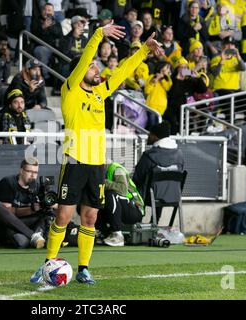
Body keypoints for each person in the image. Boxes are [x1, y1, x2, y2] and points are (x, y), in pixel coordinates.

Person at [29, 22, 162, 285]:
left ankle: (83, 269)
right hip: (75, 161)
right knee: (64, 217)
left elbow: (122, 71)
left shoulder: (100, 92)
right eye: (92, 66)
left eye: (95, 66)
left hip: (97, 164)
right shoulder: (71, 90)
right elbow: (86, 60)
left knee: (90, 218)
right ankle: (47, 265)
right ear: (80, 71)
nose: (96, 69)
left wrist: (144, 51)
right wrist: (99, 34)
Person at [0, 157, 56, 249]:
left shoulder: (38, 186)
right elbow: (7, 213)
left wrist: (50, 205)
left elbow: (55, 207)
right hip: (5, 228)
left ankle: (39, 236)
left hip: (25, 225)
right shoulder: (8, 183)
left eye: (35, 172)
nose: (32, 175)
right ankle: (33, 236)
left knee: (48, 213)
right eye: (29, 171)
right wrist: (31, 209)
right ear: (21, 170)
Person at [132, 121, 185, 224]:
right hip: (174, 196)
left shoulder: (149, 156)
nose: (148, 136)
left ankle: (136, 223)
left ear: (156, 137)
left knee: (135, 187)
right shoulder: (180, 154)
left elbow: (136, 178)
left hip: (150, 196)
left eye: (150, 134)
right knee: (159, 185)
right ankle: (154, 222)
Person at [96, 162, 145, 247]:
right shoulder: (98, 173)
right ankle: (103, 233)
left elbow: (122, 190)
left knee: (109, 195)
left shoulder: (117, 170)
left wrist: (103, 182)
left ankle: (117, 235)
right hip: (120, 207)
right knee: (91, 199)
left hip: (135, 208)